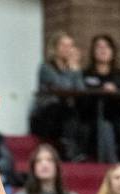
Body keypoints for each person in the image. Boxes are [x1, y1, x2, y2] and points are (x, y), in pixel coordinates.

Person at [82, 34, 120, 164]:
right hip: (94, 117)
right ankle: (112, 165)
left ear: (112, 52)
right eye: (99, 47)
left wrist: (115, 93)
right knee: (105, 125)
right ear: (93, 52)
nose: (103, 50)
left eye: (106, 47)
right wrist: (99, 91)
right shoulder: (86, 74)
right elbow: (82, 102)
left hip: (117, 115)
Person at [30, 32, 86, 162]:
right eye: (63, 45)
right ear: (55, 48)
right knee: (65, 111)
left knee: (77, 113)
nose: (68, 49)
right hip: (46, 113)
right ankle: (69, 151)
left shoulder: (72, 67)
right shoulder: (46, 67)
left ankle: (74, 150)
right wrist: (73, 71)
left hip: (65, 110)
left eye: (70, 45)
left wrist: (76, 71)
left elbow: (81, 90)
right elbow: (62, 87)